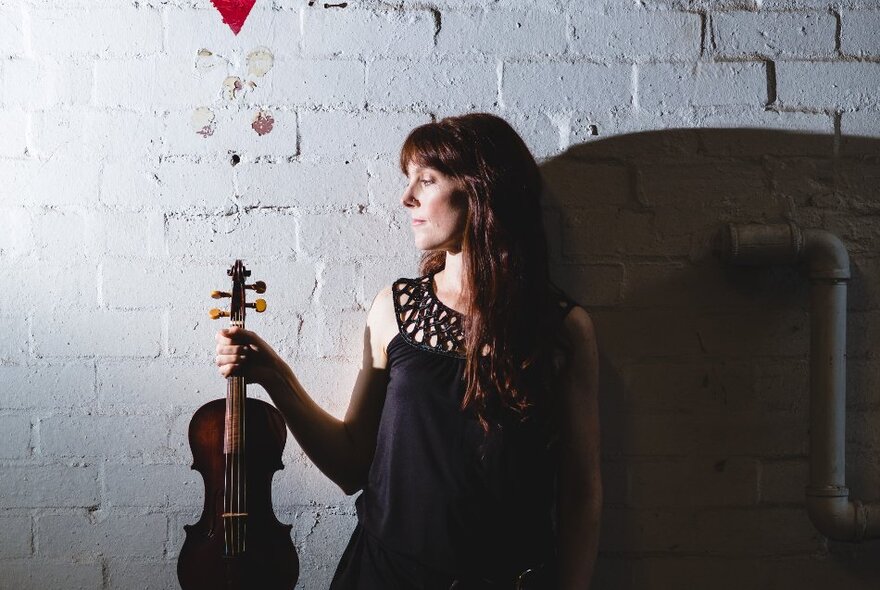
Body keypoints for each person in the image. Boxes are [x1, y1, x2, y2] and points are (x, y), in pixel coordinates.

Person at [214, 112, 601, 589]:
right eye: (409, 179)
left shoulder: (562, 330)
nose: (407, 197)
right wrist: (277, 376)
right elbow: (351, 464)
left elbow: (581, 490)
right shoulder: (394, 309)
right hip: (384, 575)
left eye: (427, 180)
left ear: (481, 190)